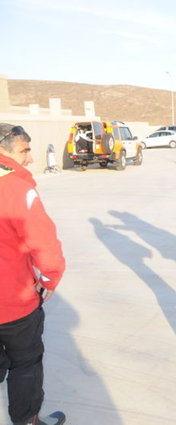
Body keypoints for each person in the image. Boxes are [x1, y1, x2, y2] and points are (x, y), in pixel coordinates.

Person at [0, 124, 66, 425]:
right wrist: (50, 278)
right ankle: (27, 420)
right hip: (12, 300)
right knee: (26, 362)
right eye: (24, 151)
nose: (30, 158)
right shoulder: (16, 187)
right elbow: (43, 241)